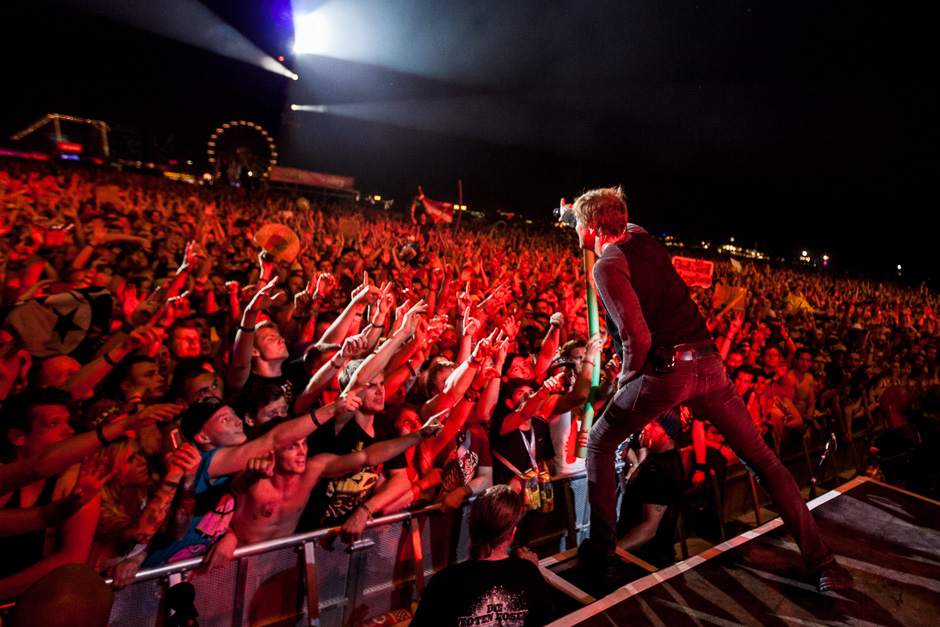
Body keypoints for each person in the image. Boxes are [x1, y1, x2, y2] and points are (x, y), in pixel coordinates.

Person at [569, 186, 852, 591]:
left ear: (594, 226)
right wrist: (575, 214)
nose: (576, 229)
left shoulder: (606, 265)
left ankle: (602, 555)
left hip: (666, 373)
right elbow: (616, 223)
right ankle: (824, 563)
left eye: (580, 223)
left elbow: (639, 339)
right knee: (763, 460)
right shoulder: (641, 235)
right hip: (709, 365)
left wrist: (624, 386)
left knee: (598, 442)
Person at [409, 484, 553, 627]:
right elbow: (549, 621)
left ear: (471, 528)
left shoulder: (443, 582)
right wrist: (532, 572)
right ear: (511, 534)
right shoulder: (528, 573)